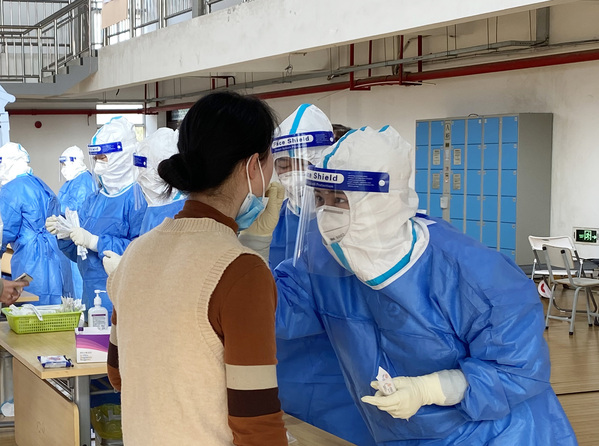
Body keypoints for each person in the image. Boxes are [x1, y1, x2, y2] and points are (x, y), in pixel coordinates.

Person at [274, 126, 577, 445]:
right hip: (400, 435)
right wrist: (248, 249)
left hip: (499, 435)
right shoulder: (321, 262)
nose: (327, 213)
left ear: (380, 200)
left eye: (340, 199)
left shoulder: (473, 273)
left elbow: (518, 370)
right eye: (320, 199)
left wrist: (429, 389)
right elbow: (279, 312)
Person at [105, 91, 287, 445]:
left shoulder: (136, 254)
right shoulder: (242, 272)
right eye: (272, 163)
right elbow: (256, 423)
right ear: (253, 166)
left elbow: (117, 373)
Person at [270, 104, 374, 445]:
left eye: (300, 162)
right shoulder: (279, 217)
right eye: (283, 164)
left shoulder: (345, 224)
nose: (290, 173)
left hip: (338, 375)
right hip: (287, 369)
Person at [46, 117, 147, 317]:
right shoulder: (95, 199)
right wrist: (65, 234)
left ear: (122, 155)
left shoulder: (138, 198)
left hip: (121, 299)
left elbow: (142, 251)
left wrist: (96, 242)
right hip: (91, 295)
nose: (99, 164)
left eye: (104, 158)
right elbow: (80, 255)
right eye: (96, 158)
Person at [102, 128, 186, 276]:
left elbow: (172, 272)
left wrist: (127, 270)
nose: (140, 176)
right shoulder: (154, 207)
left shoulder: (180, 212)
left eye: (144, 169)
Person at [0, 142, 65, 305]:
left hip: (30, 259)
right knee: (54, 308)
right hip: (54, 255)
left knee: (30, 305)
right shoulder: (41, 184)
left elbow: (4, 231)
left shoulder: (10, 190)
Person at [57, 145, 95, 300]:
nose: (63, 168)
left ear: (75, 162)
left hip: (80, 239)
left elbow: (74, 208)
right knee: (71, 283)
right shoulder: (71, 182)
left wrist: (55, 211)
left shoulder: (84, 181)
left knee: (80, 282)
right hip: (70, 239)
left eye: (65, 164)